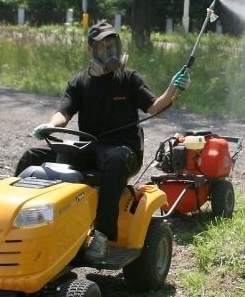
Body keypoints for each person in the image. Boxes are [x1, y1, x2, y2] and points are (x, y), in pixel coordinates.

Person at [14, 21, 190, 261]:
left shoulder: (128, 78)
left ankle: (102, 236)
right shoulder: (79, 82)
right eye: (103, 46)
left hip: (124, 152)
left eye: (112, 45)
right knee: (31, 157)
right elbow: (63, 113)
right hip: (90, 147)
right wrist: (50, 126)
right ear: (90, 49)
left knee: (114, 159)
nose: (109, 51)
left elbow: (155, 108)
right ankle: (20, 223)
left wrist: (172, 89)